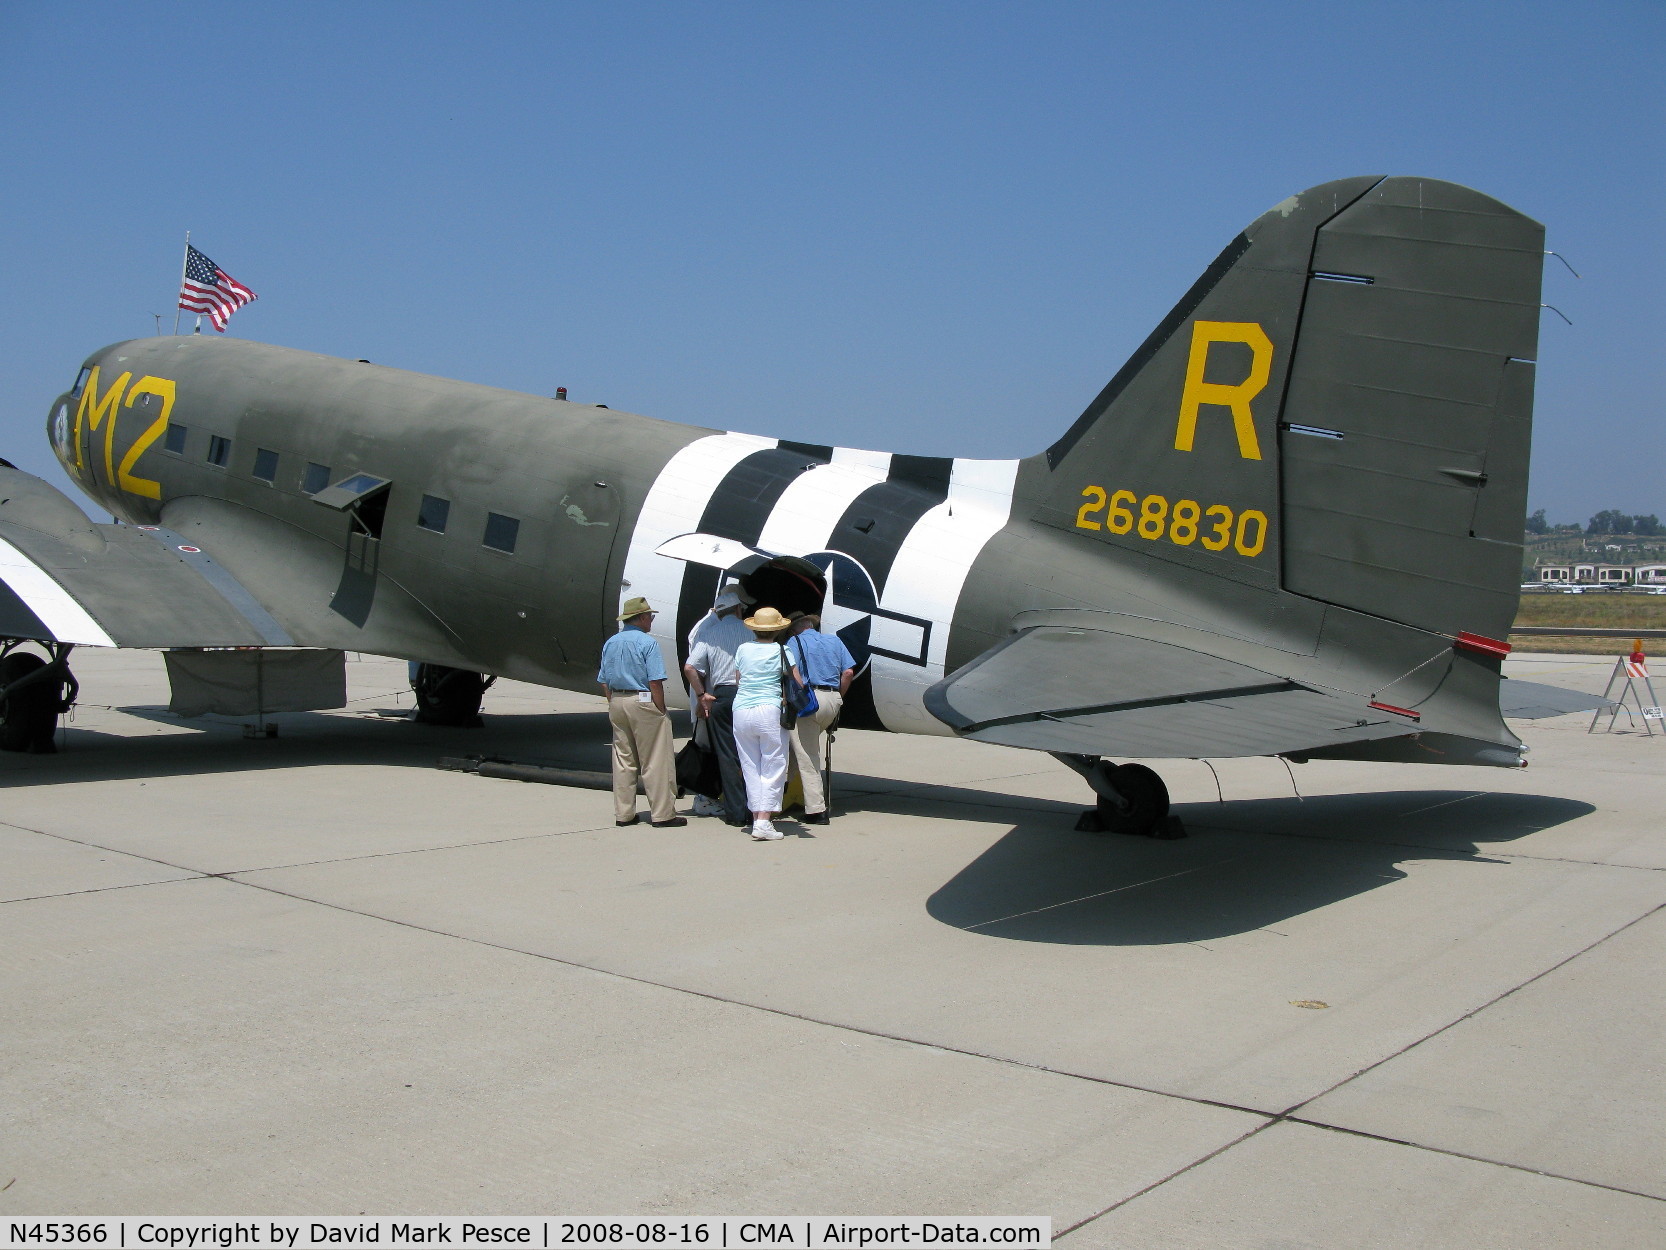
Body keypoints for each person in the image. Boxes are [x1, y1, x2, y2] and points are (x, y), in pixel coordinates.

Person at [596, 596, 686, 828]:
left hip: (617, 699)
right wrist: (660, 709)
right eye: (651, 617)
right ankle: (662, 813)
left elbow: (603, 680)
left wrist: (613, 702)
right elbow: (655, 680)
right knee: (655, 759)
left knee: (623, 759)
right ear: (643, 618)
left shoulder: (611, 643)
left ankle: (623, 814)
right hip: (642, 699)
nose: (652, 621)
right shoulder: (647, 643)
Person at [683, 584, 754, 827]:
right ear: (737, 609)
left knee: (727, 755)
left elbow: (690, 667)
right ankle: (758, 809)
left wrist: (701, 695)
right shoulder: (752, 632)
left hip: (720, 697)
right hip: (749, 696)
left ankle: (736, 814)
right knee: (752, 754)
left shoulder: (708, 633)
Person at [731, 605, 803, 841]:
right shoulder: (782, 651)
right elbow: (797, 682)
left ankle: (756, 817)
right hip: (768, 710)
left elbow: (738, 678)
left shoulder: (742, 649)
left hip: (741, 709)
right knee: (774, 763)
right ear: (777, 630)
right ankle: (764, 820)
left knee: (750, 764)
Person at [785, 613, 855, 824]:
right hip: (833, 700)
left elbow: (791, 670)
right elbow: (849, 673)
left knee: (807, 756)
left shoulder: (794, 641)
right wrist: (838, 698)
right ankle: (783, 790)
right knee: (799, 750)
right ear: (810, 625)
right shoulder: (834, 639)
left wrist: (798, 696)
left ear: (795, 629)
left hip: (810, 700)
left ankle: (816, 810)